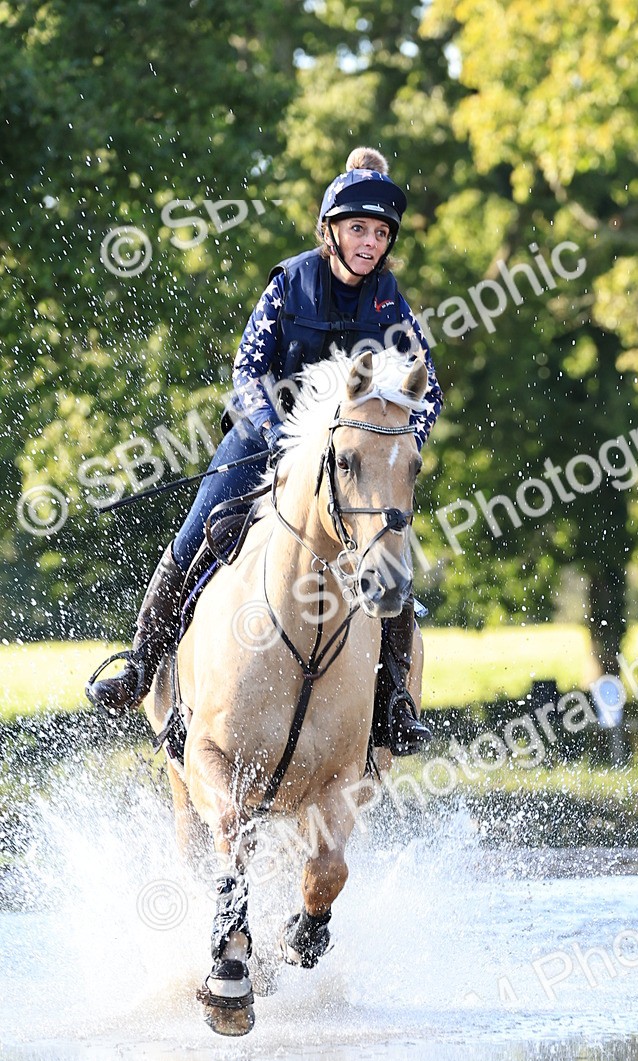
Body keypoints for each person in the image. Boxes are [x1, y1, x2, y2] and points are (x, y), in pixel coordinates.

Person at [86, 147, 443, 755]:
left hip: (352, 463)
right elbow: (248, 370)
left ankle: (392, 704)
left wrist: (399, 439)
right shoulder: (290, 282)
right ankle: (143, 666)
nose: (370, 242)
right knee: (200, 531)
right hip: (263, 441)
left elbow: (425, 385)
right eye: (358, 228)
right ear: (330, 231)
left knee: (390, 564)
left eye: (380, 232)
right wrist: (280, 436)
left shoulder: (391, 301)